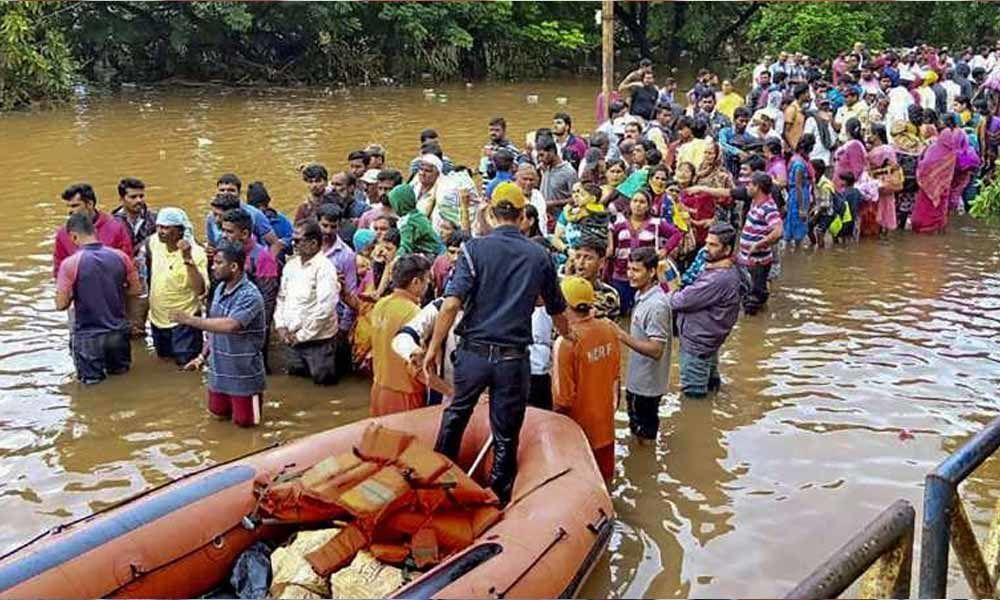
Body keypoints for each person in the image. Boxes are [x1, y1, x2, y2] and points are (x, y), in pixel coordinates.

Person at [425, 182, 571, 505]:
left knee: (456, 415)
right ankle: (498, 499)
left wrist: (434, 346)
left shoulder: (473, 250)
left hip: (473, 356)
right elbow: (556, 308)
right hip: (512, 360)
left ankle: (437, 480)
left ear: (491, 214)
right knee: (506, 434)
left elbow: (450, 304)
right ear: (522, 217)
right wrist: (570, 335)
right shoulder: (539, 255)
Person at [174, 240, 266, 428]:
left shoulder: (250, 295)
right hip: (218, 374)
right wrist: (202, 356)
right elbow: (213, 328)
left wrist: (190, 320)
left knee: (248, 426)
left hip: (244, 377)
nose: (213, 267)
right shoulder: (220, 289)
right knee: (217, 418)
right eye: (213, 262)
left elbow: (231, 325)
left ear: (233, 266)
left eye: (218, 262)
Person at [55, 213, 140, 384]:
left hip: (88, 337)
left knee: (92, 388)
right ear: (95, 231)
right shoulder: (121, 257)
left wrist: (72, 294)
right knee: (122, 380)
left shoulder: (70, 264)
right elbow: (135, 290)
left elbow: (61, 304)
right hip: (118, 332)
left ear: (73, 236)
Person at [552, 276, 621, 482]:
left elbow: (562, 399)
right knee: (605, 488)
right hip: (606, 428)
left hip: (579, 437)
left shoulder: (566, 343)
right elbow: (616, 377)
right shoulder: (609, 329)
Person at [668, 223, 742, 398]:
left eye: (713, 245)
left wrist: (669, 283)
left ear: (727, 249)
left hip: (697, 345)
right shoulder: (723, 268)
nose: (705, 249)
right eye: (707, 243)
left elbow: (678, 301)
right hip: (709, 342)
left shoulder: (717, 279)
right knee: (710, 388)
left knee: (693, 400)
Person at [614, 247, 671, 444]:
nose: (630, 274)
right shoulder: (641, 296)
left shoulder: (656, 305)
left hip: (646, 386)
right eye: (629, 269)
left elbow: (656, 350)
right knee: (637, 430)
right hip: (639, 380)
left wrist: (621, 335)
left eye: (636, 270)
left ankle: (646, 468)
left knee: (644, 436)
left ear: (652, 272)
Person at [274, 219, 341, 384]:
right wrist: (280, 326)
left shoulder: (325, 269)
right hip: (291, 339)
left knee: (323, 386)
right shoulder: (291, 266)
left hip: (318, 342)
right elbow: (282, 297)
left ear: (313, 243)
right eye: (293, 239)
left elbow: (325, 308)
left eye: (298, 240)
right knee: (296, 384)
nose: (293, 244)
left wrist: (301, 336)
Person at [370, 254, 433, 416]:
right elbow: (417, 366)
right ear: (415, 282)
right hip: (405, 393)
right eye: (426, 280)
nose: (428, 284)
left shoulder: (380, 304)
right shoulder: (414, 314)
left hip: (379, 388)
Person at [220, 208, 279, 371]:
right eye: (223, 230)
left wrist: (260, 332)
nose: (224, 235)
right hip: (229, 321)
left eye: (229, 231)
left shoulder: (263, 258)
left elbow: (268, 299)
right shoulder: (226, 253)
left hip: (251, 326)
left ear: (245, 234)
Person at [148, 207, 208, 365]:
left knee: (187, 366)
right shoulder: (154, 242)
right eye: (159, 226)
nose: (161, 231)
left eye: (166, 228)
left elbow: (200, 290)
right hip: (157, 319)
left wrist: (187, 258)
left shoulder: (197, 254)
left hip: (184, 323)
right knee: (163, 361)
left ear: (180, 231)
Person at [53, 183, 132, 278]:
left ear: (90, 204)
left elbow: (127, 264)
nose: (70, 211)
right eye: (68, 206)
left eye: (75, 206)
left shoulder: (116, 227)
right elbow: (59, 270)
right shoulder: (63, 234)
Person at [112, 177, 157, 337]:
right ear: (122, 199)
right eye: (133, 197)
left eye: (141, 196)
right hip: (124, 281)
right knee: (127, 327)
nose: (139, 200)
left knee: (142, 325)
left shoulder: (155, 219)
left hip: (150, 279)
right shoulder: (112, 223)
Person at [318, 204, 359, 378]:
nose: (328, 230)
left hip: (334, 321)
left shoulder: (346, 255)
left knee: (330, 374)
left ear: (339, 226)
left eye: (333, 226)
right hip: (310, 319)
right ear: (317, 222)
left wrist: (344, 328)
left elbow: (351, 291)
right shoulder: (307, 249)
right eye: (324, 225)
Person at [738, 173, 783, 315]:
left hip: (757, 262)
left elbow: (778, 232)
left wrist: (758, 245)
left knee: (753, 299)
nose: (747, 187)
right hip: (748, 260)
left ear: (757, 187)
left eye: (750, 184)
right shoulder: (755, 203)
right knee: (749, 292)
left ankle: (753, 329)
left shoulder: (768, 208)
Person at [212, 173, 284, 257]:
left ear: (239, 193)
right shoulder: (211, 217)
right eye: (222, 190)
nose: (226, 193)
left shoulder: (254, 214)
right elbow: (212, 245)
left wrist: (267, 264)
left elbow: (275, 243)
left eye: (231, 190)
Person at [388, 184, 443, 256]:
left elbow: (406, 246)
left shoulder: (408, 222)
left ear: (398, 204)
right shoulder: (417, 214)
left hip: (429, 254)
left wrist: (394, 260)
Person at [572, 239, 621, 320]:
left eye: (588, 258)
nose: (581, 262)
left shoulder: (609, 294)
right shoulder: (562, 289)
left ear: (601, 262)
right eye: (577, 257)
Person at [246, 181, 293, 261]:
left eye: (263, 205)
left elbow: (292, 237)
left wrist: (283, 243)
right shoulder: (245, 222)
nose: (261, 209)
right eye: (257, 207)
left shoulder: (280, 220)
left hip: (276, 262)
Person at [785, 133, 816, 248]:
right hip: (799, 197)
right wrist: (802, 208)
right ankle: (796, 255)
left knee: (792, 227)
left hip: (796, 196)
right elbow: (798, 186)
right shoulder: (799, 164)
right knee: (797, 230)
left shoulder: (796, 159)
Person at [538, 136, 578, 214]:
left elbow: (576, 198)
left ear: (552, 152)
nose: (540, 159)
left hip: (561, 217)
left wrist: (554, 203)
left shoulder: (569, 172)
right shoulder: (545, 167)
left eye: (542, 155)